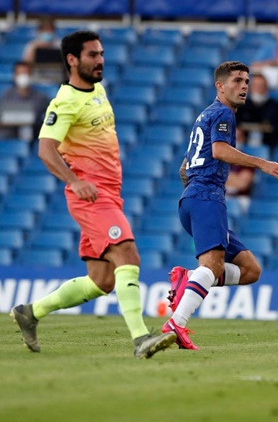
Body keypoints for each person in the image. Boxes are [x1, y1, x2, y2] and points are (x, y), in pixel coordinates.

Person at [10, 30, 176, 359]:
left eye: (101, 54)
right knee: (127, 255)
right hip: (90, 197)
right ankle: (141, 338)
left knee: (101, 281)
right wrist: (74, 180)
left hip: (110, 195)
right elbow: (46, 150)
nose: (100, 60)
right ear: (72, 60)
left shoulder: (98, 90)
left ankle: (30, 312)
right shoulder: (64, 102)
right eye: (92, 55)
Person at [162, 61, 278, 350]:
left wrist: (197, 194)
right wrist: (262, 162)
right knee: (211, 265)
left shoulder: (205, 115)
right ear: (219, 86)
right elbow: (219, 150)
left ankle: (189, 280)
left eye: (246, 81)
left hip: (195, 198)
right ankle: (177, 322)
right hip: (206, 197)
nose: (244, 86)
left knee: (250, 270)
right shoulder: (223, 113)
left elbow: (185, 166)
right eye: (237, 80)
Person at [235, 73, 278, 150]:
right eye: (256, 85)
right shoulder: (240, 105)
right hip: (243, 145)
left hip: (269, 146)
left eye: (261, 85)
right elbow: (233, 124)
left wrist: (268, 129)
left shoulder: (275, 106)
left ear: (266, 87)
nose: (258, 88)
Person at [0, 61, 50, 141]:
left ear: (30, 75)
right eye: (20, 73)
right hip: (10, 136)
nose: (23, 76)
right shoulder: (7, 95)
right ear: (15, 76)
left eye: (26, 73)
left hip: (34, 136)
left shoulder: (41, 97)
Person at [226, 126, 256, 212]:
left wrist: (226, 177)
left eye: (238, 138)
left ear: (242, 139)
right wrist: (234, 177)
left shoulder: (248, 160)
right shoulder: (217, 158)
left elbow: (242, 184)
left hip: (240, 199)